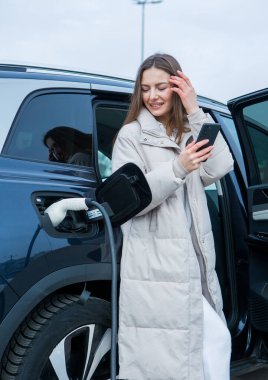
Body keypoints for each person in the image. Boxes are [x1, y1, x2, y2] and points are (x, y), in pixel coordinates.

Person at [112, 53, 234, 380]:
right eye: (146, 88)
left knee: (206, 345)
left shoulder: (186, 132)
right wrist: (179, 167)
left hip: (193, 261)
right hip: (156, 265)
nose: (153, 96)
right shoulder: (131, 136)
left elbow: (221, 167)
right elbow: (131, 197)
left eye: (162, 87)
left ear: (177, 88)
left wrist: (195, 110)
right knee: (175, 356)